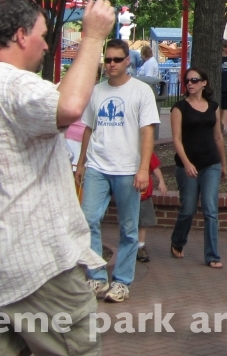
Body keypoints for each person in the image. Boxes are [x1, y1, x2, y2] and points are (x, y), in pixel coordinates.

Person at [0, 0, 116, 356]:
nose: (45, 45)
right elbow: (69, 106)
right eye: (42, 35)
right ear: (22, 36)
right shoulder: (14, 85)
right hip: (33, 264)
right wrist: (93, 38)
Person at [76, 38, 160, 302]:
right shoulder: (97, 91)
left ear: (127, 61)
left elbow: (147, 132)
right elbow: (88, 128)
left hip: (127, 168)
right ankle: (97, 277)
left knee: (128, 227)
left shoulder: (141, 91)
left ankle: (122, 281)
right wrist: (81, 162)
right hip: (97, 166)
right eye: (107, 59)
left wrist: (143, 169)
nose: (110, 64)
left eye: (116, 59)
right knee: (88, 220)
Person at [170, 66, 226, 267]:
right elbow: (176, 139)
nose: (190, 84)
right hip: (187, 165)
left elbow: (218, 137)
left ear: (204, 83)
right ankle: (177, 240)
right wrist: (186, 163)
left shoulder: (213, 106)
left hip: (210, 163)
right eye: (187, 81)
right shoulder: (179, 108)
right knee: (188, 209)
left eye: (194, 80)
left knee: (211, 209)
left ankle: (212, 256)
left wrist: (223, 164)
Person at [137, 152, 166, 262]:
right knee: (130, 223)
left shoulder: (147, 152)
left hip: (144, 195)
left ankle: (141, 246)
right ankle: (130, 247)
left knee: (143, 222)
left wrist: (161, 181)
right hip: (130, 195)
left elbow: (155, 168)